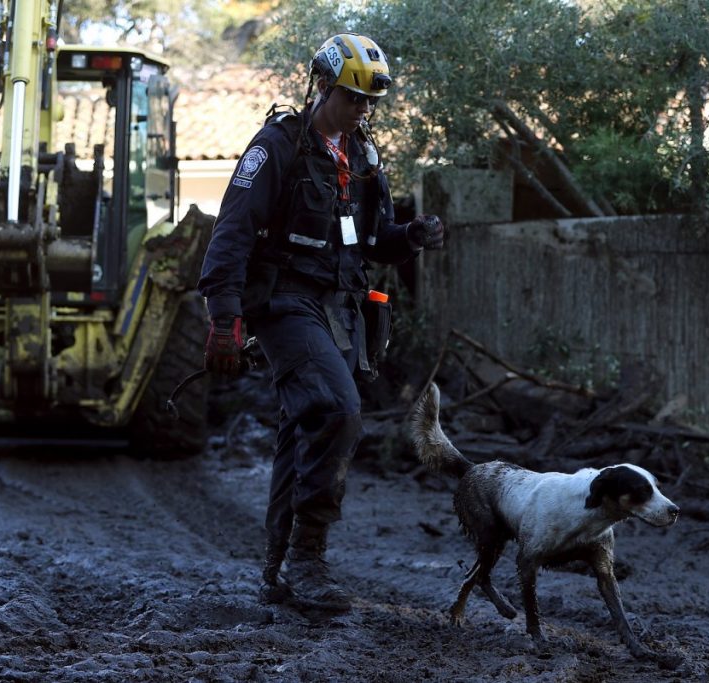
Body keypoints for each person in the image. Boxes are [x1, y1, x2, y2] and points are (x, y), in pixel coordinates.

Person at [198, 33, 445, 612]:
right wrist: (224, 318)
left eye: (368, 102)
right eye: (350, 97)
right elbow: (231, 234)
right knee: (338, 411)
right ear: (321, 88)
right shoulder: (277, 145)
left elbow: (373, 239)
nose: (361, 110)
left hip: (339, 312)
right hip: (284, 304)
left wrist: (409, 237)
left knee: (303, 425)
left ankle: (277, 572)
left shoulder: (364, 157)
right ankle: (310, 560)